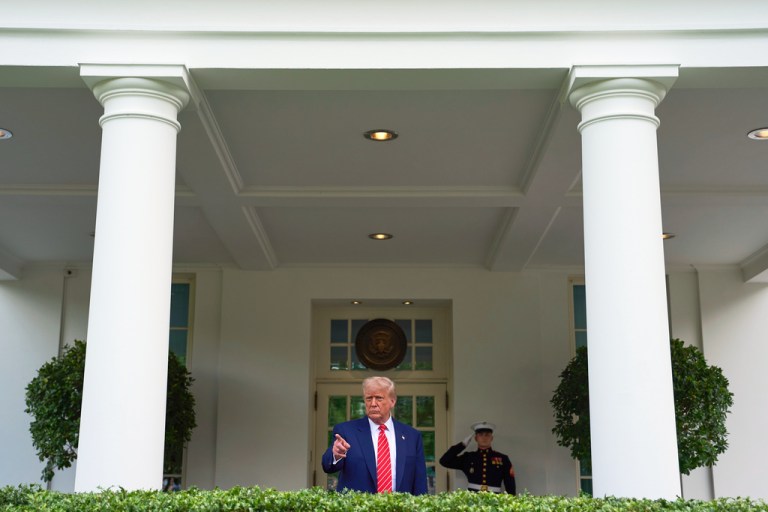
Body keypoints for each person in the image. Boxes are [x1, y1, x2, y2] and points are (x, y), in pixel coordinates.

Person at [321, 376, 428, 494]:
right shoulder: (346, 431)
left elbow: (420, 482)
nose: (373, 403)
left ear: (392, 401)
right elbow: (328, 466)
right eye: (368, 398)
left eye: (379, 398)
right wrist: (336, 455)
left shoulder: (412, 436)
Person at [439, 421, 516, 494]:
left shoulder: (503, 458)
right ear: (476, 438)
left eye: (487, 435)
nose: (484, 438)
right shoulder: (468, 457)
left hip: (495, 498)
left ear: (491, 438)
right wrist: (462, 445)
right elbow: (444, 461)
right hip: (473, 499)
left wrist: (511, 502)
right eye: (481, 435)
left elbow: (509, 483)